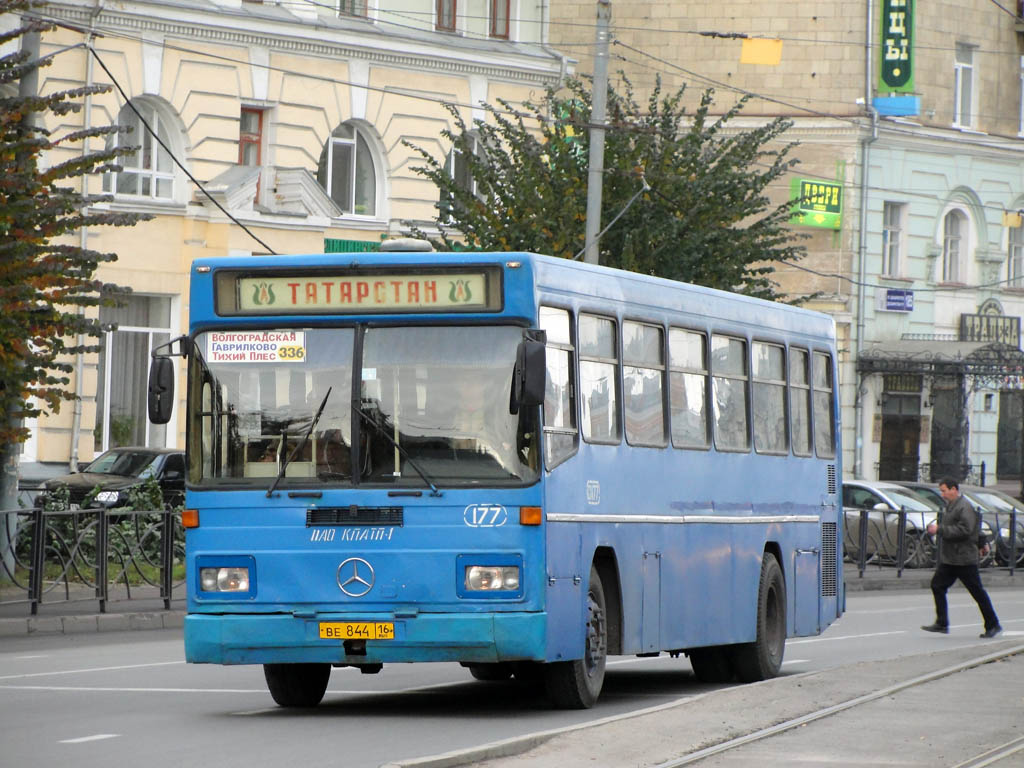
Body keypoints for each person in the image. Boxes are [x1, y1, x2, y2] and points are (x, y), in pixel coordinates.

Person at [921, 477, 1002, 638]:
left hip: (964, 558)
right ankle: (942, 623)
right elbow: (975, 528)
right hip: (951, 558)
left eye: (944, 491)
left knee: (977, 592)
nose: (942, 494)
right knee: (937, 585)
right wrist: (982, 542)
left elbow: (966, 529)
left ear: (954, 489)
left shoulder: (964, 506)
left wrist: (940, 529)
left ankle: (993, 624)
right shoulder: (952, 506)